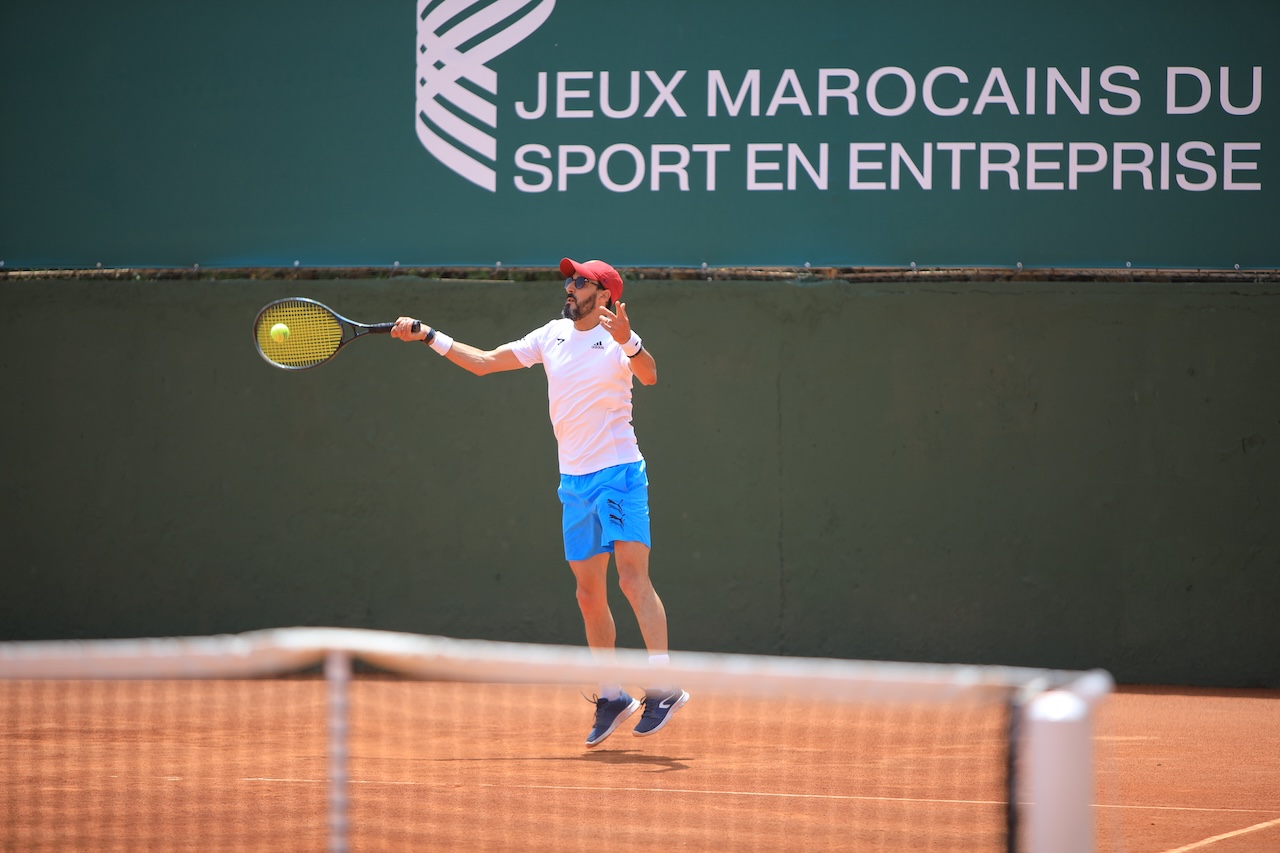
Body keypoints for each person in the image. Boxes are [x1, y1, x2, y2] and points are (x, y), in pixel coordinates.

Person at [391, 257, 688, 747]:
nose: (569, 286)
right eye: (569, 280)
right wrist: (428, 335)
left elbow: (650, 375)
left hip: (618, 473)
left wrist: (629, 342)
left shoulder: (618, 340)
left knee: (632, 579)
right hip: (573, 482)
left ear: (604, 295)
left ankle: (664, 685)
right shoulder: (550, 335)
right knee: (588, 595)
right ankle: (612, 695)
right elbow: (484, 362)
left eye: (580, 281)